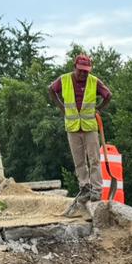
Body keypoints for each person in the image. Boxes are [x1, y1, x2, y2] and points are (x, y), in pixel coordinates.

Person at [49, 54, 111, 204]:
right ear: (74, 67)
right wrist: (61, 107)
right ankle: (84, 187)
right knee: (79, 161)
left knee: (94, 159)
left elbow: (108, 95)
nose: (83, 73)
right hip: (73, 127)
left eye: (86, 71)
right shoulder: (64, 80)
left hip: (89, 127)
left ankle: (96, 190)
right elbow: (51, 90)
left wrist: (99, 109)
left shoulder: (94, 81)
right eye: (81, 70)